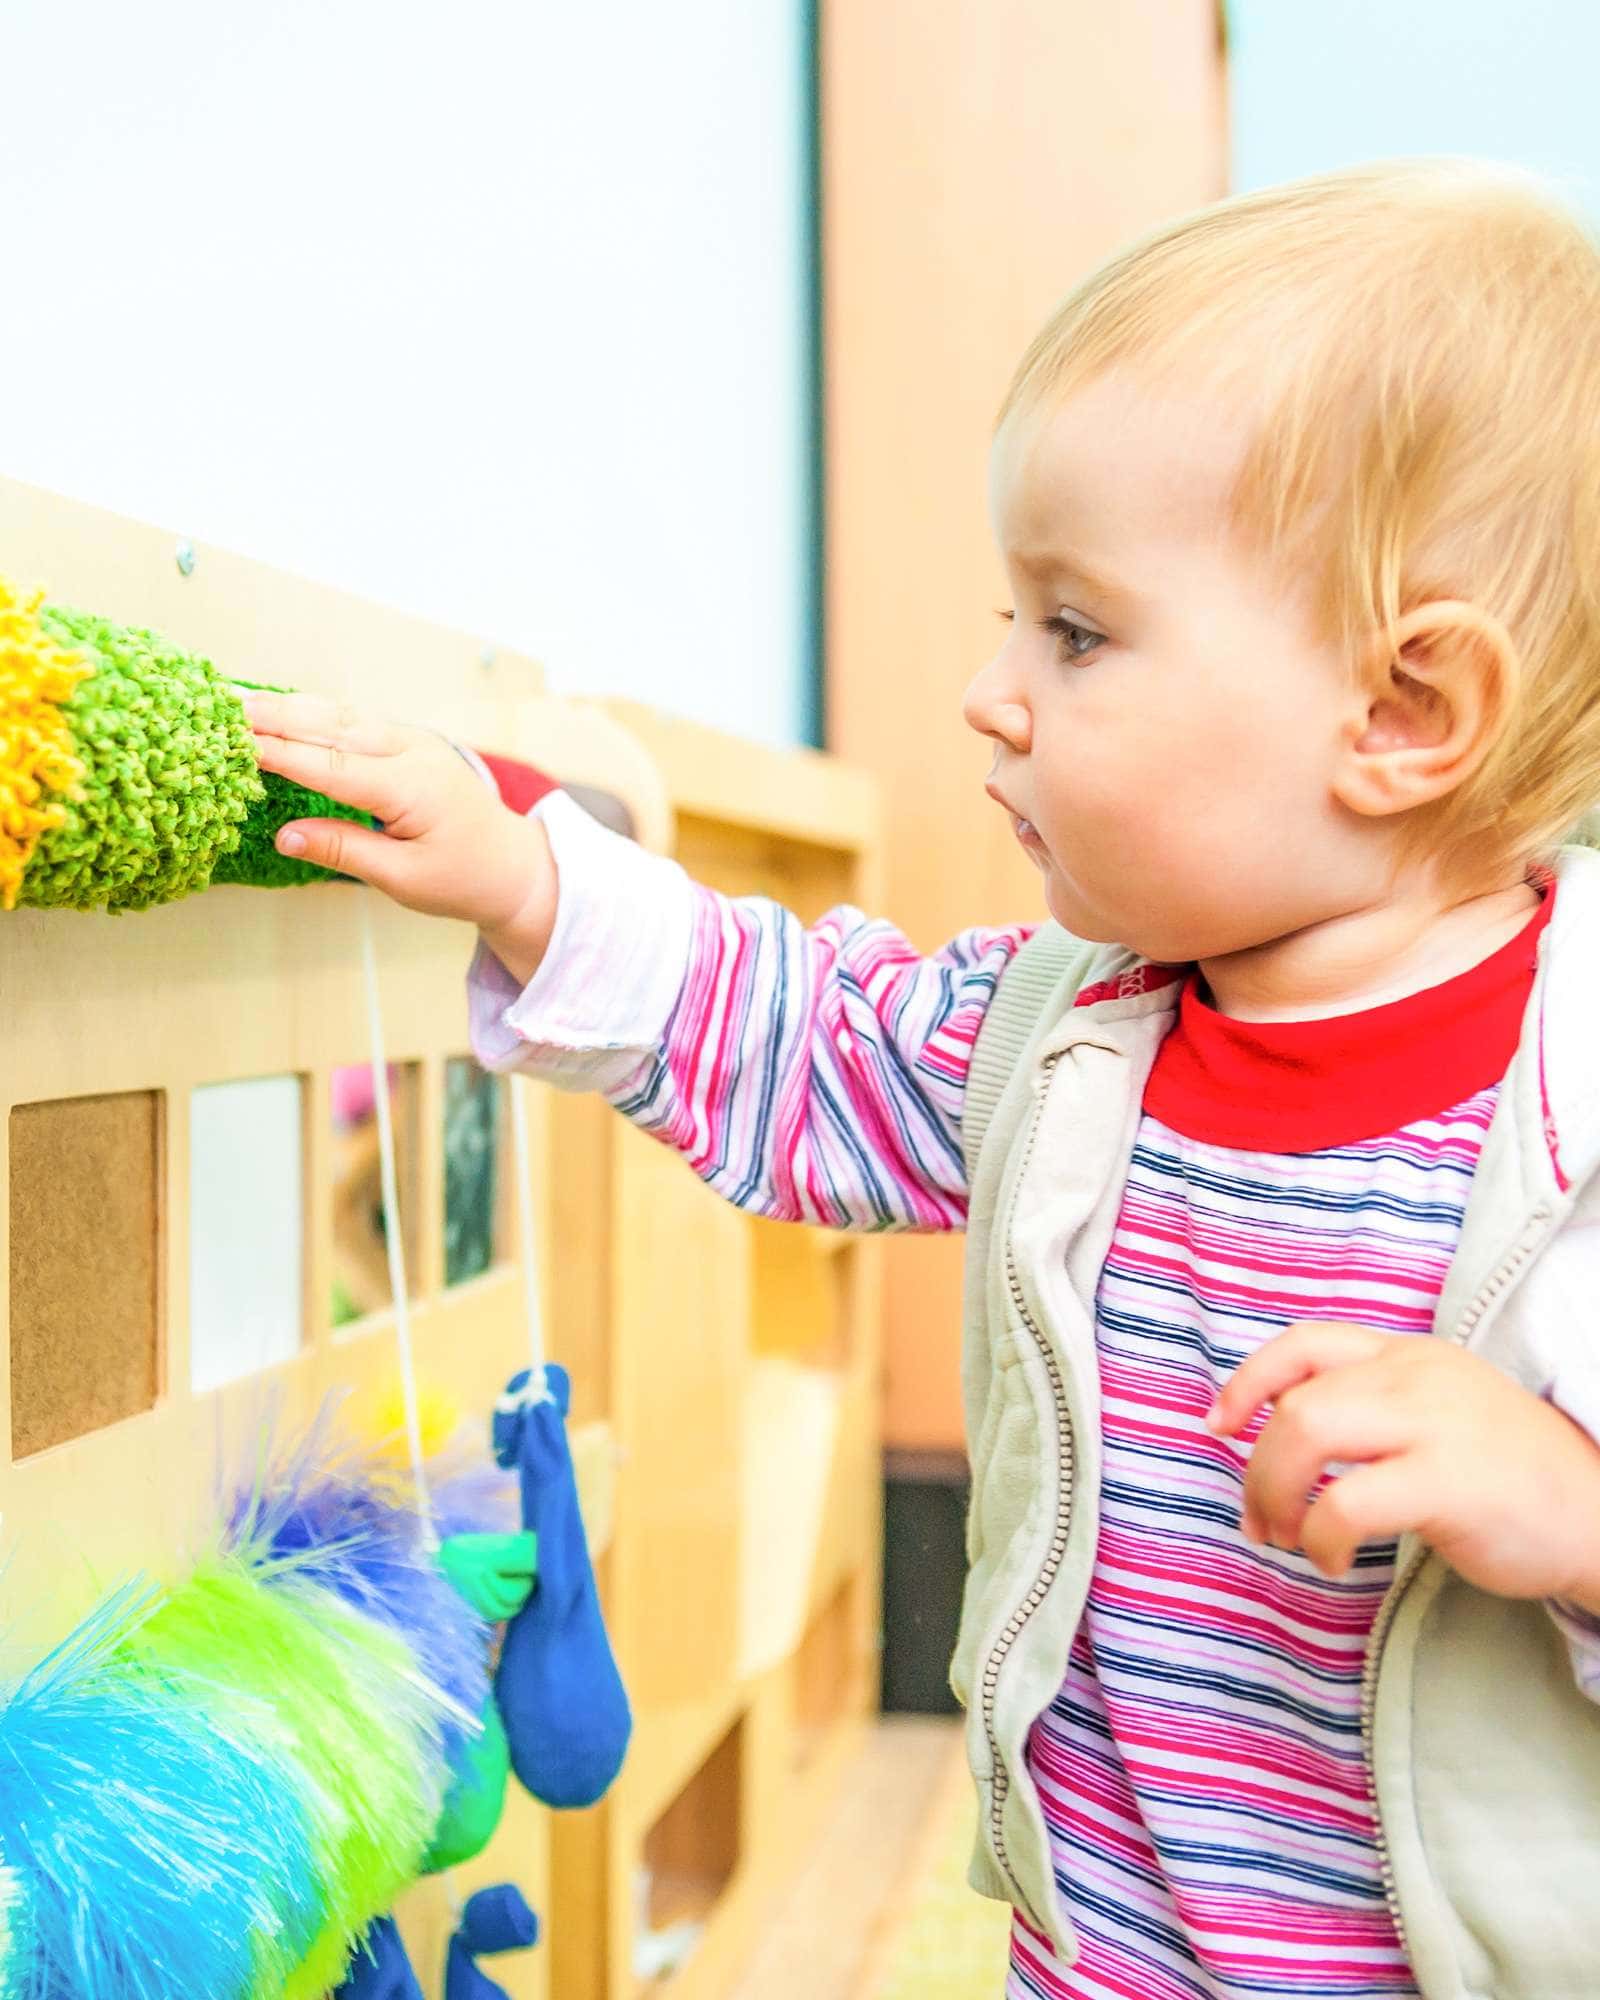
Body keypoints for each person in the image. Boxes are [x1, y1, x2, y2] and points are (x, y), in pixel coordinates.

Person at [245, 161, 1600, 1999]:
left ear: (1403, 717)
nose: (989, 690)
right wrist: (524, 874)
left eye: (1076, 628)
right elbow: (788, 1029)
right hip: (1093, 1958)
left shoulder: (1574, 1109)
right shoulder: (1066, 1031)